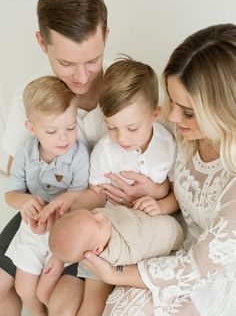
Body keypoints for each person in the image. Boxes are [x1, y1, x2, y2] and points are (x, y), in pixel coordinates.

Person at [79, 23, 236, 316]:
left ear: (224, 112)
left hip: (214, 273)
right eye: (171, 102)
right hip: (175, 243)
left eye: (187, 111)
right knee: (122, 309)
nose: (171, 116)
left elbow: (200, 266)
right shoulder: (176, 131)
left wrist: (118, 274)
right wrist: (156, 191)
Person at [0, 0, 110, 316]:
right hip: (43, 212)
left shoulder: (123, 97)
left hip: (94, 219)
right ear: (42, 43)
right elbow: (14, 171)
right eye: (66, 64)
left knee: (62, 301)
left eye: (92, 60)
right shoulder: (30, 97)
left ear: (105, 36)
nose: (81, 76)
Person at [36, 58, 179, 315]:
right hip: (109, 233)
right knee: (93, 300)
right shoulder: (105, 151)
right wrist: (72, 199)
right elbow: (96, 194)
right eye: (111, 127)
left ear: (155, 114)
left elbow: (177, 194)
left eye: (132, 128)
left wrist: (160, 202)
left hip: (149, 234)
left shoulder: (167, 144)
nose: (121, 137)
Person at [4, 76, 91, 316]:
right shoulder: (26, 152)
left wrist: (60, 254)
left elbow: (79, 199)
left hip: (66, 227)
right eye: (52, 131)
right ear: (32, 129)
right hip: (33, 227)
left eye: (71, 128)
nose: (64, 138)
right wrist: (24, 201)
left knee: (46, 288)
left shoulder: (78, 155)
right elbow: (10, 194)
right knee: (23, 288)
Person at [49, 206, 183, 268]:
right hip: (172, 235)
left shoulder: (96, 232)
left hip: (163, 220)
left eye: (91, 213)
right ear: (97, 250)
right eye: (97, 222)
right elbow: (137, 256)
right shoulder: (117, 252)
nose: (100, 215)